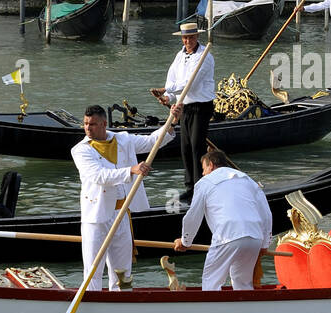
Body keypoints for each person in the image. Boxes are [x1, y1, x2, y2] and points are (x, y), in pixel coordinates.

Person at [74, 103, 178, 292]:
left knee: (122, 270)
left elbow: (151, 141)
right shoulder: (81, 150)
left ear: (104, 124)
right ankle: (91, 301)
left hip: (121, 213)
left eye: (93, 124)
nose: (88, 128)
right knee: (92, 269)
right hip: (96, 217)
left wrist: (171, 121)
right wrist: (131, 170)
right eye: (86, 123)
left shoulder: (123, 139)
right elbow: (98, 176)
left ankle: (122, 299)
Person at [175, 149, 273, 291]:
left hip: (227, 236)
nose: (202, 173)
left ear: (211, 165)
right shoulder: (247, 179)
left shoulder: (205, 182)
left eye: (203, 169)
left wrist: (185, 241)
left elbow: (193, 216)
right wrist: (264, 243)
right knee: (243, 283)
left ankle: (212, 312)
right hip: (254, 237)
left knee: (211, 282)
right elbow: (266, 213)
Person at [154, 21, 215, 204]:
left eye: (191, 37)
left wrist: (166, 89)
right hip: (185, 106)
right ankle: (190, 187)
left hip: (202, 106)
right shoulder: (179, 56)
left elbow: (191, 83)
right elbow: (173, 79)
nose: (188, 41)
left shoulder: (205, 56)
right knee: (185, 147)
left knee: (197, 146)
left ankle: (200, 187)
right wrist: (169, 97)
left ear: (197, 37)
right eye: (185, 38)